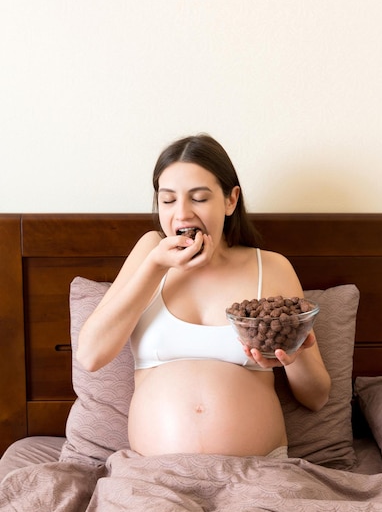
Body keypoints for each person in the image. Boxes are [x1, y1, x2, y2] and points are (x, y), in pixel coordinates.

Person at [77, 134, 331, 458]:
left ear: (230, 200)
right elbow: (90, 355)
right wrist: (155, 267)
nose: (181, 215)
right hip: (156, 478)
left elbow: (317, 396)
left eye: (198, 198)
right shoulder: (149, 252)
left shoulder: (270, 267)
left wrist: (292, 359)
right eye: (168, 200)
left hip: (257, 474)